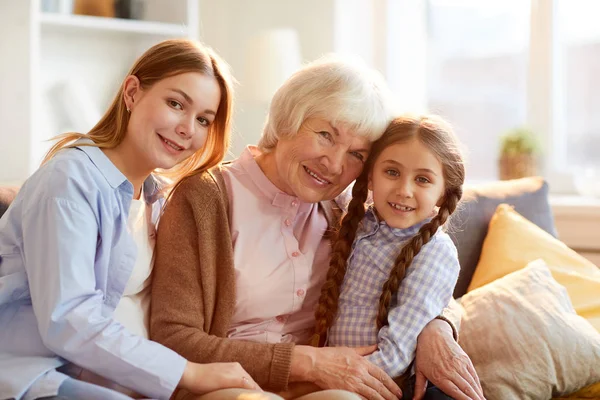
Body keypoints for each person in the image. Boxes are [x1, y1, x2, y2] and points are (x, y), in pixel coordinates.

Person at [150, 56, 484, 400]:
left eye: (356, 153)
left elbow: (424, 274)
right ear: (288, 119)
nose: (335, 164)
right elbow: (173, 338)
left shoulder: (344, 210)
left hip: (327, 387)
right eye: (326, 135)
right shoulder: (206, 198)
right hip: (229, 387)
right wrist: (305, 363)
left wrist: (436, 327)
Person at [0, 39, 262, 400]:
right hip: (43, 376)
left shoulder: (159, 197)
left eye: (203, 119)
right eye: (175, 104)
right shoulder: (70, 181)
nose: (188, 128)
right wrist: (190, 373)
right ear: (132, 93)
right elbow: (69, 321)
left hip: (136, 382)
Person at [311, 115, 466, 400]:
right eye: (392, 172)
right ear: (370, 175)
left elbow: (395, 355)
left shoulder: (434, 252)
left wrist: (320, 381)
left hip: (382, 386)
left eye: (422, 179)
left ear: (443, 194)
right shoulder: (355, 221)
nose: (403, 190)